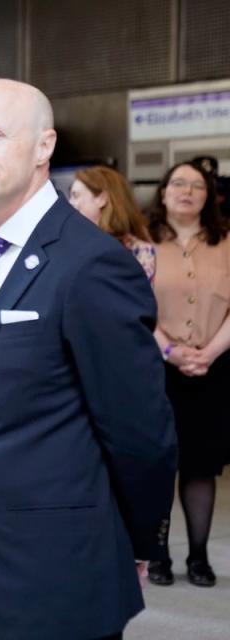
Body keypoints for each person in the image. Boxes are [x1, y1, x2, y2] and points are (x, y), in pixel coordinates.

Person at [0, 78, 177, 640]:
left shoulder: (91, 265)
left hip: (55, 578)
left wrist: (136, 540)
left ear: (44, 147)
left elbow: (140, 432)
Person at [146, 161, 230, 588]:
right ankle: (157, 554)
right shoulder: (142, 243)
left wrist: (210, 352)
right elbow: (133, 304)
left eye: (197, 185)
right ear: (162, 193)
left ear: (210, 196)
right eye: (178, 183)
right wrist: (172, 351)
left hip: (214, 369)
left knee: (201, 466)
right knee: (160, 464)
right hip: (157, 369)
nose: (187, 191)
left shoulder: (227, 241)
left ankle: (199, 557)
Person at [69, 165, 156, 281]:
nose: (70, 203)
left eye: (75, 196)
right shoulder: (70, 244)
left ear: (101, 199)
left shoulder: (140, 252)